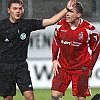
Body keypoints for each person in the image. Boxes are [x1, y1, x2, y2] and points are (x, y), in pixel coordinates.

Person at [0, 0, 76, 100]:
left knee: (30, 97)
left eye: (20, 9)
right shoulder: (2, 25)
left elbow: (51, 21)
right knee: (8, 98)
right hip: (5, 67)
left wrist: (66, 9)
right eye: (15, 9)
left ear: (23, 10)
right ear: (9, 10)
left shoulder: (27, 24)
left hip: (21, 66)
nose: (18, 11)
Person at [51, 1, 99, 100]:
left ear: (79, 14)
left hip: (81, 68)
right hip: (63, 66)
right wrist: (54, 59)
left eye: (71, 11)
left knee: (80, 98)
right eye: (67, 11)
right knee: (55, 97)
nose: (67, 14)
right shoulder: (60, 25)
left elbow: (96, 49)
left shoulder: (89, 29)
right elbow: (56, 42)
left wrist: (90, 68)